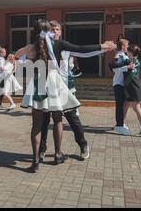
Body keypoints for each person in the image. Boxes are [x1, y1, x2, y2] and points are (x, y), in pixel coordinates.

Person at [15, 19, 116, 172]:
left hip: (38, 84)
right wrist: (103, 46)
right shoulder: (58, 45)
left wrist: (21, 57)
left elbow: (17, 55)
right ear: (49, 31)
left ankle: (36, 160)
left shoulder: (31, 47)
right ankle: (57, 154)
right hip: (55, 84)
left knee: (36, 125)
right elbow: (81, 49)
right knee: (57, 120)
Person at [39, 20, 105, 161]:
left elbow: (83, 51)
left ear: (60, 32)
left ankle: (83, 145)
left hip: (65, 88)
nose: (55, 32)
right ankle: (42, 149)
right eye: (52, 29)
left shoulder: (65, 46)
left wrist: (102, 48)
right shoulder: (43, 46)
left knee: (73, 119)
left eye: (57, 29)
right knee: (44, 119)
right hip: (49, 88)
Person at [123, 45, 141, 137]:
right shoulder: (136, 60)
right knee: (125, 106)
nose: (126, 53)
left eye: (128, 51)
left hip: (133, 87)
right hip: (134, 87)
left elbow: (131, 75)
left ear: (131, 53)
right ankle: (120, 124)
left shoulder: (132, 61)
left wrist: (124, 84)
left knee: (136, 108)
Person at [109, 39, 131, 136]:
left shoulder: (124, 55)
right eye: (126, 45)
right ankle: (119, 125)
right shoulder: (119, 55)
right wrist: (127, 68)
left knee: (122, 105)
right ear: (122, 46)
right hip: (118, 83)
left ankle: (120, 123)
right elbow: (114, 69)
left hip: (122, 83)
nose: (128, 47)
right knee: (119, 105)